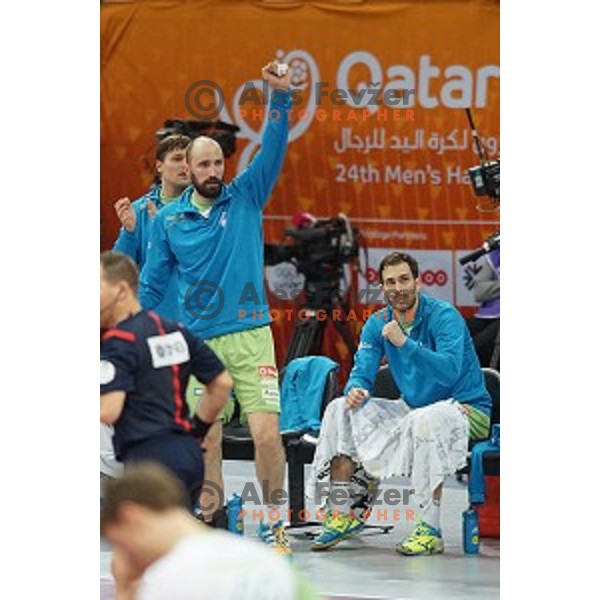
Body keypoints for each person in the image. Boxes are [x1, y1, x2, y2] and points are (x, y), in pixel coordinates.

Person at [138, 62, 293, 554]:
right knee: (207, 441)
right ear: (188, 170)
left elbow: (272, 146)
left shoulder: (246, 196)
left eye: (217, 164)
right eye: (201, 165)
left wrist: (281, 96)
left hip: (252, 336)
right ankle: (212, 521)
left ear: (225, 166)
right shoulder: (168, 220)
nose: (210, 172)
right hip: (199, 343)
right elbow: (151, 282)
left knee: (268, 434)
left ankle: (275, 524)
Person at [307, 251, 492, 555]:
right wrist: (356, 389)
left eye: (405, 279)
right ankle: (343, 513)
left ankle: (430, 531)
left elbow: (448, 371)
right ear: (383, 288)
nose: (398, 287)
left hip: (467, 408)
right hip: (414, 408)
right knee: (340, 408)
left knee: (427, 419)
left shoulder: (444, 317)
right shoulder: (377, 323)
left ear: (418, 282)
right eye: (390, 282)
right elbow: (361, 373)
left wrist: (404, 343)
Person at [100, 251, 233, 506]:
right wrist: (198, 431)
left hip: (147, 462)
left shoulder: (119, 341)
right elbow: (222, 383)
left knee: (151, 542)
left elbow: (108, 410)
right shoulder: (173, 330)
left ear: (120, 290)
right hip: (188, 454)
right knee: (175, 540)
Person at [101, 463, 320, 600]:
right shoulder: (264, 561)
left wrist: (125, 591)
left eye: (120, 543)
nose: (124, 556)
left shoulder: (171, 581)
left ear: (131, 517)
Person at [113, 134, 191, 321]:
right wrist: (129, 233)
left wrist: (164, 230)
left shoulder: (203, 209)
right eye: (177, 159)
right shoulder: (138, 210)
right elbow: (119, 269)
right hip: (155, 319)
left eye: (189, 160)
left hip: (197, 319)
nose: (185, 166)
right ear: (159, 166)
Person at [465, 247, 500, 370]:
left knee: (475, 346)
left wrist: (493, 288)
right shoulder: (496, 255)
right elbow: (479, 292)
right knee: (454, 332)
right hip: (487, 314)